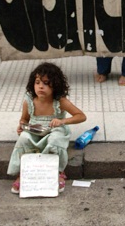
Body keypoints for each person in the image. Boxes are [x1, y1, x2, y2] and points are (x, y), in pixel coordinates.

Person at [8, 62, 87, 194]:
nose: (40, 87)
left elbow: (81, 116)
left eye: (46, 83)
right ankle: (24, 172)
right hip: (35, 129)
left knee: (55, 140)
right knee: (23, 139)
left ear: (55, 85)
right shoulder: (30, 101)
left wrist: (62, 121)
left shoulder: (60, 102)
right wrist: (21, 126)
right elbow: (24, 119)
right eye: (37, 82)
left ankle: (57, 171)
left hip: (55, 130)